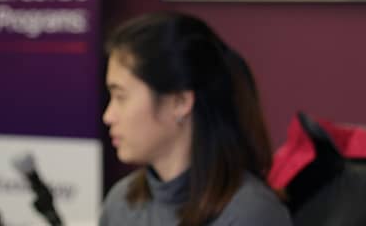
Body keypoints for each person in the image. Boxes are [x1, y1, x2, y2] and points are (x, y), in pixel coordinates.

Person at [100, 12, 290, 226]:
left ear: (180, 102)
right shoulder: (120, 204)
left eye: (120, 97)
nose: (108, 116)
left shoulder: (251, 214)